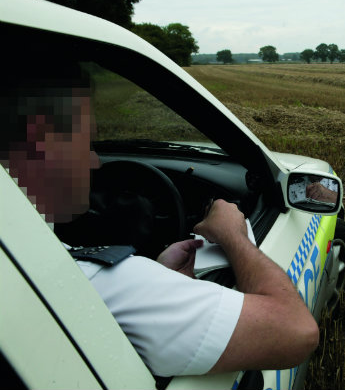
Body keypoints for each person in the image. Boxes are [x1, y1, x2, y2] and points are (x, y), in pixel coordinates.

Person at [0, 60, 319, 376]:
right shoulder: (95, 281)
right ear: (42, 139)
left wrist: (158, 277)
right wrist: (234, 236)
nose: (95, 162)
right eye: (87, 143)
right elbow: (297, 330)